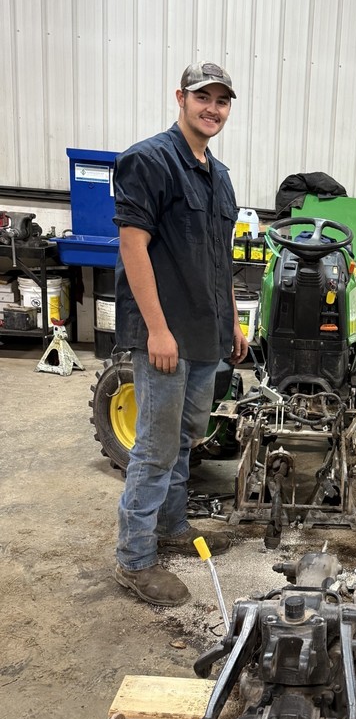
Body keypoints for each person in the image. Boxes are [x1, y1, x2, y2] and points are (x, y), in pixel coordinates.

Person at [112, 61, 250, 607]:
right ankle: (135, 558)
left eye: (222, 100)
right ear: (181, 98)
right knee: (155, 446)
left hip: (206, 332)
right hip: (165, 336)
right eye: (203, 97)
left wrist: (233, 320)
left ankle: (171, 525)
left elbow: (220, 259)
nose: (212, 108)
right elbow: (132, 246)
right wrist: (157, 330)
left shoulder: (220, 177)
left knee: (188, 437)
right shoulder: (149, 160)